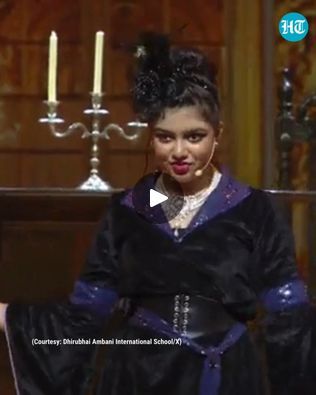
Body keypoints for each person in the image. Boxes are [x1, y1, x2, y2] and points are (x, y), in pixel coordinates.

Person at [0, 32, 315, 395]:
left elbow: (290, 319)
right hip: (137, 376)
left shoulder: (255, 209)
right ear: (151, 137)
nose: (179, 151)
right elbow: (86, 312)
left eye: (194, 136)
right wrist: (11, 316)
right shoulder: (128, 210)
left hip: (226, 377)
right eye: (166, 137)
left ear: (218, 135)